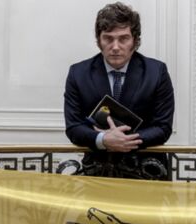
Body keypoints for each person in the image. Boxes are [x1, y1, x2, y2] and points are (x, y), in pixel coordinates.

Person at [63, 2, 175, 180]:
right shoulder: (78, 73)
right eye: (108, 38)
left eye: (123, 39)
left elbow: (163, 127)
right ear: (99, 41)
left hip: (147, 172)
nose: (115, 46)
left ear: (135, 41)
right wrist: (102, 139)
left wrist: (123, 141)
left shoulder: (156, 72)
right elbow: (74, 127)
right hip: (97, 173)